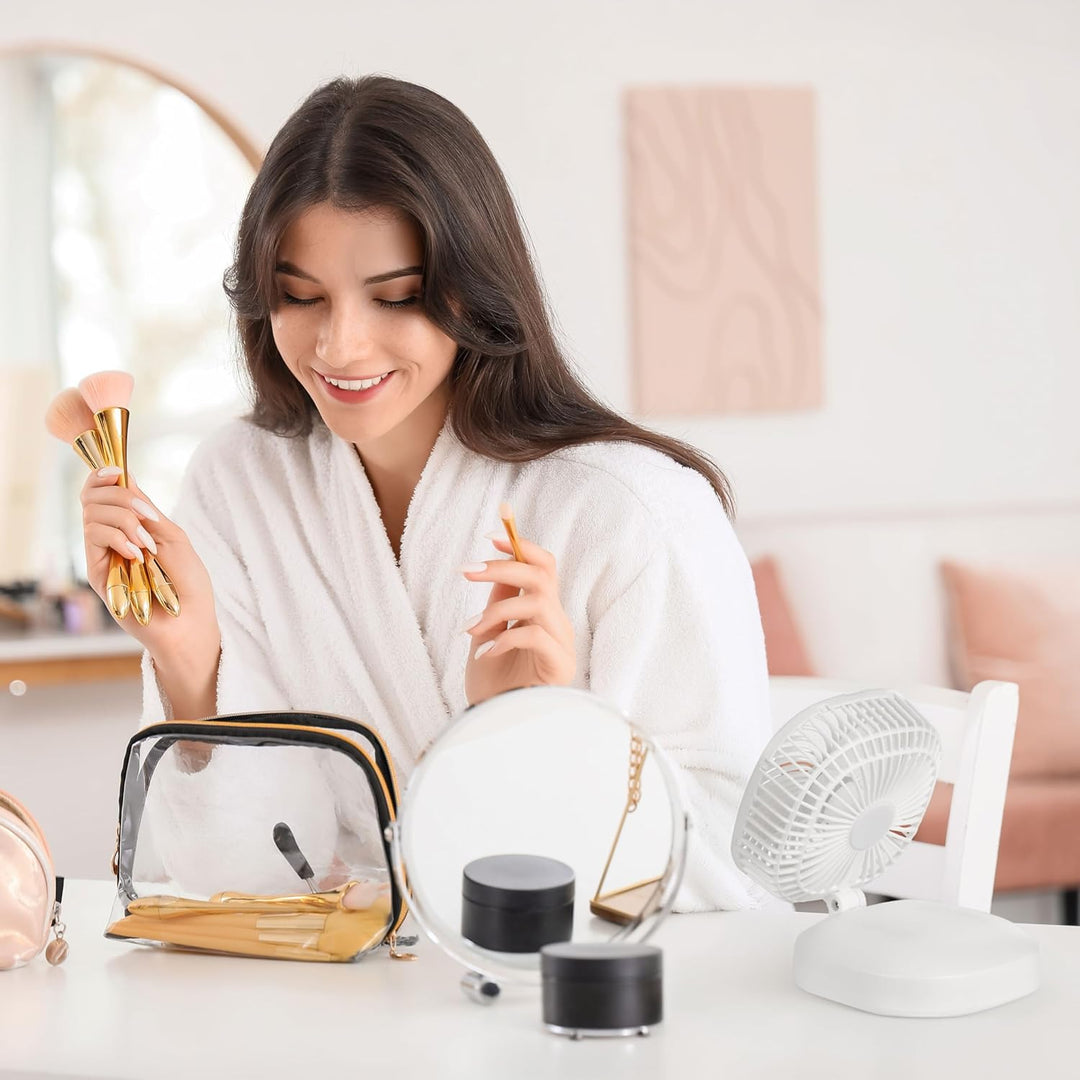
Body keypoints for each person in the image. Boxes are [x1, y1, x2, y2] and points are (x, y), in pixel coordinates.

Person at [80, 75, 773, 910]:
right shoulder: (240, 483)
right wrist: (188, 659)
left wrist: (541, 730)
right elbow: (243, 883)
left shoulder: (630, 511)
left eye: (395, 297)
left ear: (473, 287)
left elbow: (733, 870)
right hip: (345, 998)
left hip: (575, 998)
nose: (339, 344)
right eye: (301, 297)